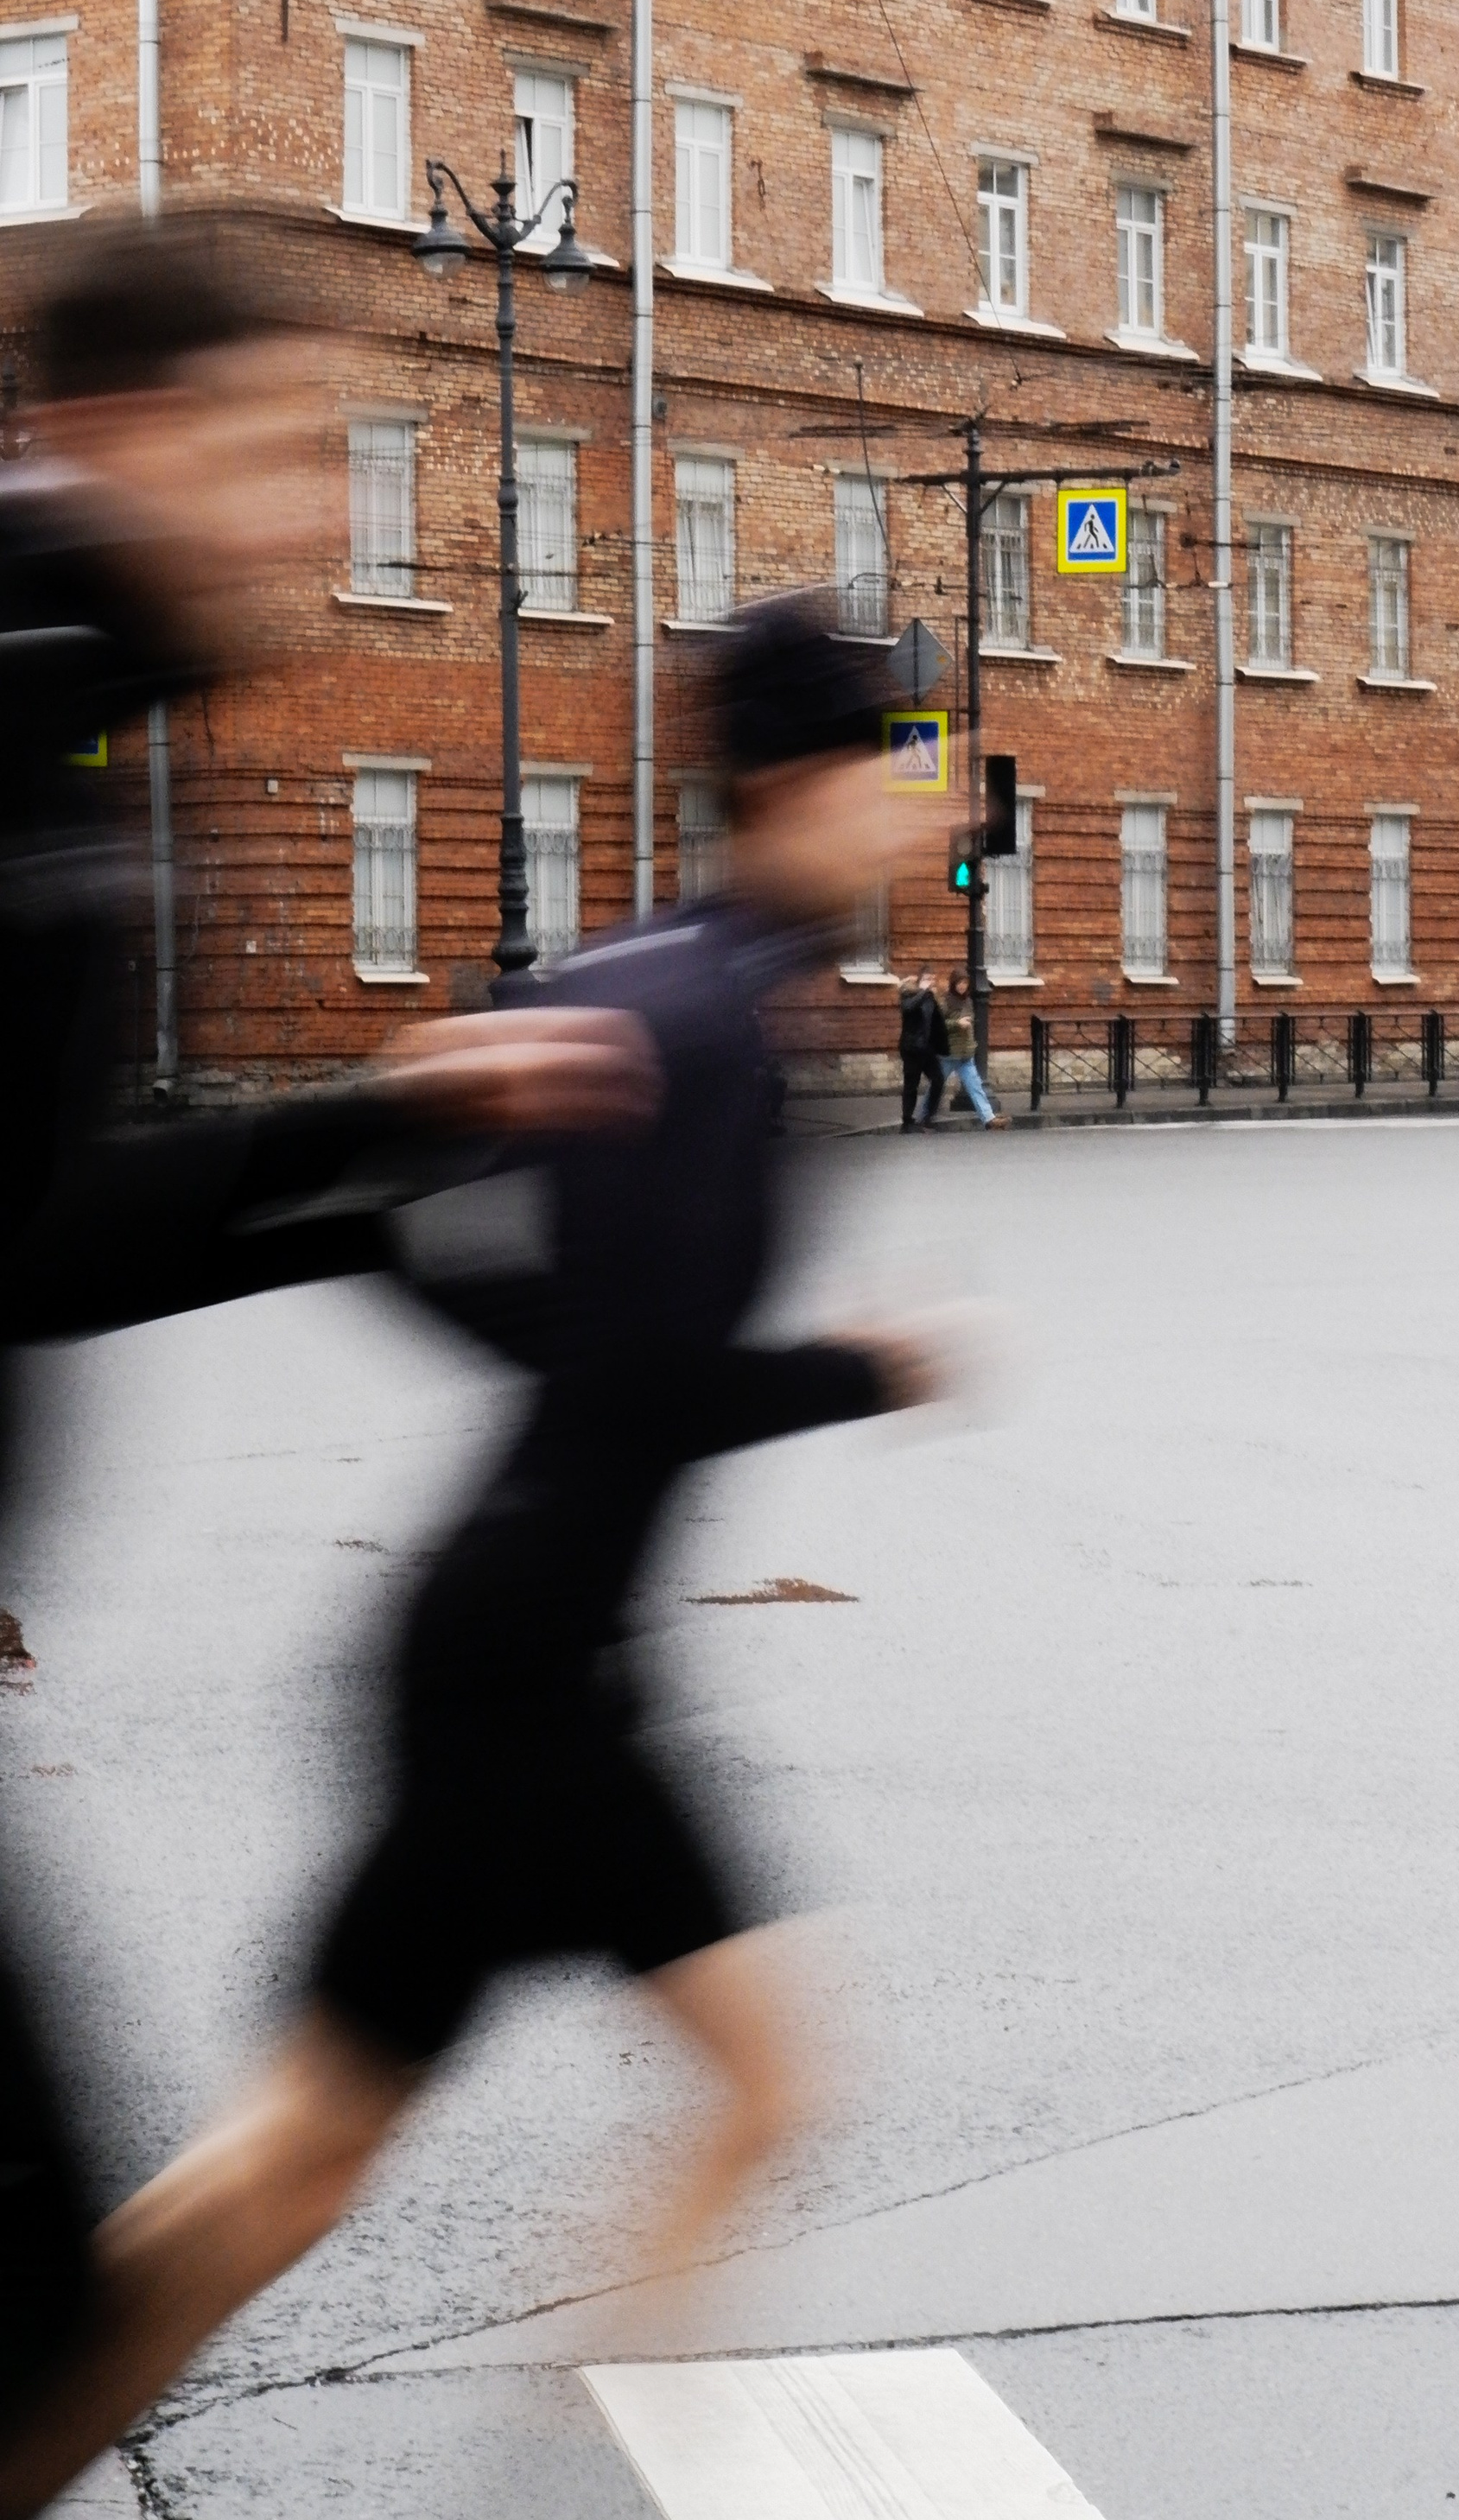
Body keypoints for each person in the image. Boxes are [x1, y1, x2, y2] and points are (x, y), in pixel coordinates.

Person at [0, 592, 954, 2515]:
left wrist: (560, 1366)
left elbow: (428, 1240)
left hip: (525, 1640)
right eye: (898, 777)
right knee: (442, 2133)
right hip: (524, 1673)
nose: (928, 821)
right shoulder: (701, 1017)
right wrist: (866, 1361)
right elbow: (636, 1376)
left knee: (315, 2151)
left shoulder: (676, 978)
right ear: (786, 780)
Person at [0, 219, 659, 2511]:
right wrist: (401, 1117)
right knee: (47, 2304)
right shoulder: (28, 687)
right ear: (101, 433)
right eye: (269, 451)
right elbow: (41, 1222)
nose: (317, 511)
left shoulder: (70, 688)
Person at [937, 969, 1006, 1128]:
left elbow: (970, 1021)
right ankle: (922, 1117)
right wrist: (957, 1023)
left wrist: (968, 1023)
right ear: (953, 984)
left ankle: (989, 1119)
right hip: (949, 1053)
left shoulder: (967, 1001)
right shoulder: (945, 1001)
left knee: (976, 1087)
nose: (962, 986)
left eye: (965, 983)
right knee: (937, 1086)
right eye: (960, 983)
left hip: (965, 1053)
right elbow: (938, 1025)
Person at [897, 964, 947, 1130]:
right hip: (911, 1048)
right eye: (926, 979)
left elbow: (937, 1022)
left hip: (927, 1049)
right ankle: (907, 1120)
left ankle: (928, 1116)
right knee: (911, 1084)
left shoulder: (932, 998)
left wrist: (941, 1045)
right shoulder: (909, 994)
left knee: (938, 1079)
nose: (930, 982)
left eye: (932, 979)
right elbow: (907, 1008)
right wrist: (924, 992)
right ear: (920, 980)